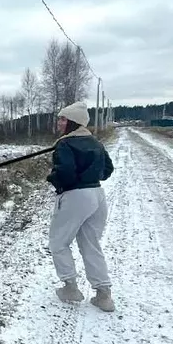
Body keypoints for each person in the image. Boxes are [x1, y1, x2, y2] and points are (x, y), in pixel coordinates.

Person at [47, 101, 116, 312]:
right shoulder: (95, 142)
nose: (59, 122)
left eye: (62, 119)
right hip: (97, 195)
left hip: (75, 196)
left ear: (73, 122)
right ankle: (104, 294)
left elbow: (65, 172)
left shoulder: (64, 144)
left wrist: (52, 178)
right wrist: (89, 175)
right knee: (91, 243)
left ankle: (70, 288)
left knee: (58, 242)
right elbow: (107, 170)